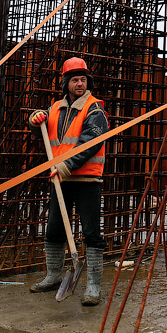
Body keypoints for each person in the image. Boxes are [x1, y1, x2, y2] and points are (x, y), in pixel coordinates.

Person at [27, 56, 110, 306]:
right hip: (60, 180)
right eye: (75, 80)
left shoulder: (95, 109)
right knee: (54, 229)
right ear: (66, 83)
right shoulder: (55, 108)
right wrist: (34, 119)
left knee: (92, 232)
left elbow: (89, 143)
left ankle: (93, 286)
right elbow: (44, 128)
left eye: (83, 79)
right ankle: (53, 275)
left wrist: (66, 166)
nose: (80, 84)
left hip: (86, 180)